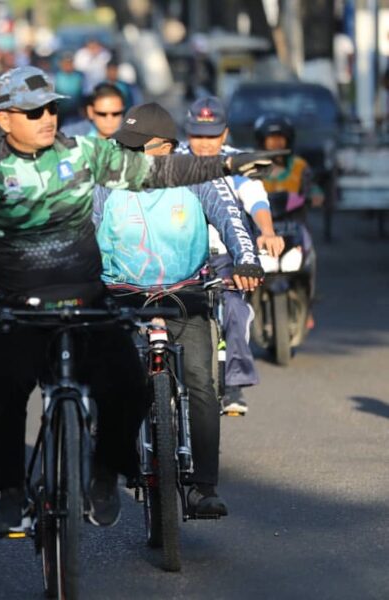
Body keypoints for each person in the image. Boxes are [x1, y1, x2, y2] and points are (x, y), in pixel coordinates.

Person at [0, 66, 277, 532]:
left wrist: (228, 172)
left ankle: (116, 478)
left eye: (51, 108)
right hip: (44, 300)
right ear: (4, 119)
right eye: (34, 112)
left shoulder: (84, 153)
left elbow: (177, 181)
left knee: (147, 384)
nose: (47, 118)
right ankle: (12, 491)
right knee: (1, 385)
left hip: (122, 298)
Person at [93, 103, 263, 516]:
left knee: (202, 381)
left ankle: (204, 487)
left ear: (167, 148)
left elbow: (232, 219)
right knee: (116, 384)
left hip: (185, 293)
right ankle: (111, 469)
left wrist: (247, 261)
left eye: (138, 148)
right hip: (122, 294)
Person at [182, 96, 285, 415]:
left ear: (224, 134)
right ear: (187, 132)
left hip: (224, 256)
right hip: (181, 256)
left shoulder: (236, 162)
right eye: (197, 135)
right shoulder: (173, 161)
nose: (204, 143)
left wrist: (266, 231)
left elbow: (255, 199)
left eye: (212, 135)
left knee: (235, 311)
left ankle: (234, 384)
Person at [254, 113, 319, 328]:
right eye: (271, 138)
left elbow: (312, 188)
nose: (276, 143)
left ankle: (308, 306)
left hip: (294, 225)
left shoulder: (300, 166)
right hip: (263, 228)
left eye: (280, 138)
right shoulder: (252, 166)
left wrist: (315, 195)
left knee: (310, 260)